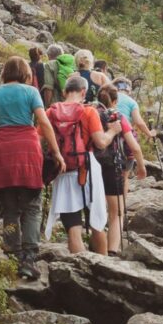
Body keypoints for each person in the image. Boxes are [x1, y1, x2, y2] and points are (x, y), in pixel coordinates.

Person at [0, 56, 66, 280]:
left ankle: (12, 255)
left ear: (4, 73)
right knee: (32, 206)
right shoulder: (31, 92)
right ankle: (29, 259)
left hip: (1, 151)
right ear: (26, 74)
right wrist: (57, 152)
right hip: (27, 150)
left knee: (10, 206)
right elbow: (44, 122)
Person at [43, 74, 121, 255]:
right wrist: (112, 131)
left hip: (62, 170)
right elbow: (101, 142)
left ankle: (79, 269)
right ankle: (103, 269)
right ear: (84, 92)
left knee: (72, 226)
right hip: (88, 170)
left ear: (64, 92)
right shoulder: (88, 111)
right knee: (97, 222)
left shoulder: (50, 112)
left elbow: (39, 140)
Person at [95, 84, 146, 255]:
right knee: (116, 212)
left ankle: (96, 246)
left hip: (91, 166)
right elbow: (134, 147)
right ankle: (112, 250)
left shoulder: (90, 113)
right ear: (115, 101)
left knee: (96, 207)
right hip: (112, 166)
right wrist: (142, 167)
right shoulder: (118, 116)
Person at [111, 77, 157, 142]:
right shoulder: (131, 102)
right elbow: (138, 122)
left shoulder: (108, 97)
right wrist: (149, 133)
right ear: (128, 89)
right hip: (123, 134)